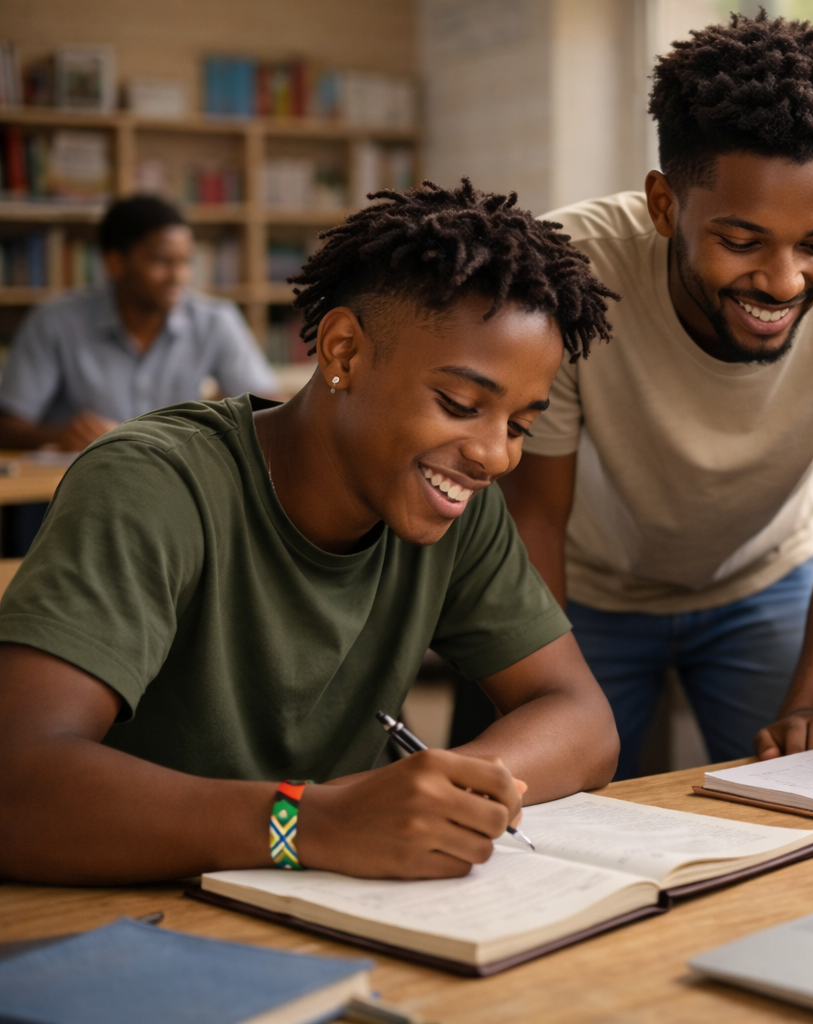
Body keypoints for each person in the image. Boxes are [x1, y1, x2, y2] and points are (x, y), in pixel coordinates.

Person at [0, 181, 622, 885]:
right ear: (343, 352)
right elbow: (16, 783)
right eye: (459, 404)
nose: (493, 455)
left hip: (331, 903)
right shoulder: (155, 483)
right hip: (125, 914)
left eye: (519, 426)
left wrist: (443, 793)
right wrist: (312, 820)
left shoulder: (458, 505)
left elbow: (582, 719)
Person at [503, 12, 813, 779]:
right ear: (664, 206)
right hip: (585, 591)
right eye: (741, 242)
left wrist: (811, 707)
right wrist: (552, 699)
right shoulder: (566, 270)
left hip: (767, 580)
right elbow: (534, 513)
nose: (783, 283)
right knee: (556, 802)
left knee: (801, 794)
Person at [0, 194, 277, 451]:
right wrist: (58, 436)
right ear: (115, 262)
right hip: (80, 489)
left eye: (185, 261)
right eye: (161, 261)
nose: (178, 276)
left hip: (175, 487)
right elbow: (7, 427)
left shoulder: (215, 320)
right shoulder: (54, 322)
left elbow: (271, 411)